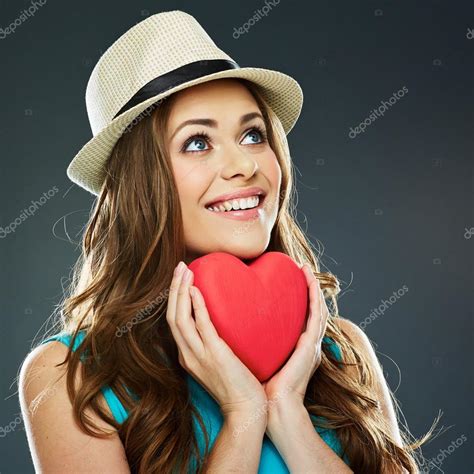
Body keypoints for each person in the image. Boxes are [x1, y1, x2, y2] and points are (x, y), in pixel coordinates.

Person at [18, 10, 436, 474]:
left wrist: (287, 415)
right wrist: (243, 414)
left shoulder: (343, 353)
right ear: (141, 183)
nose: (244, 164)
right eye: (197, 142)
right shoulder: (69, 378)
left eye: (253, 134)